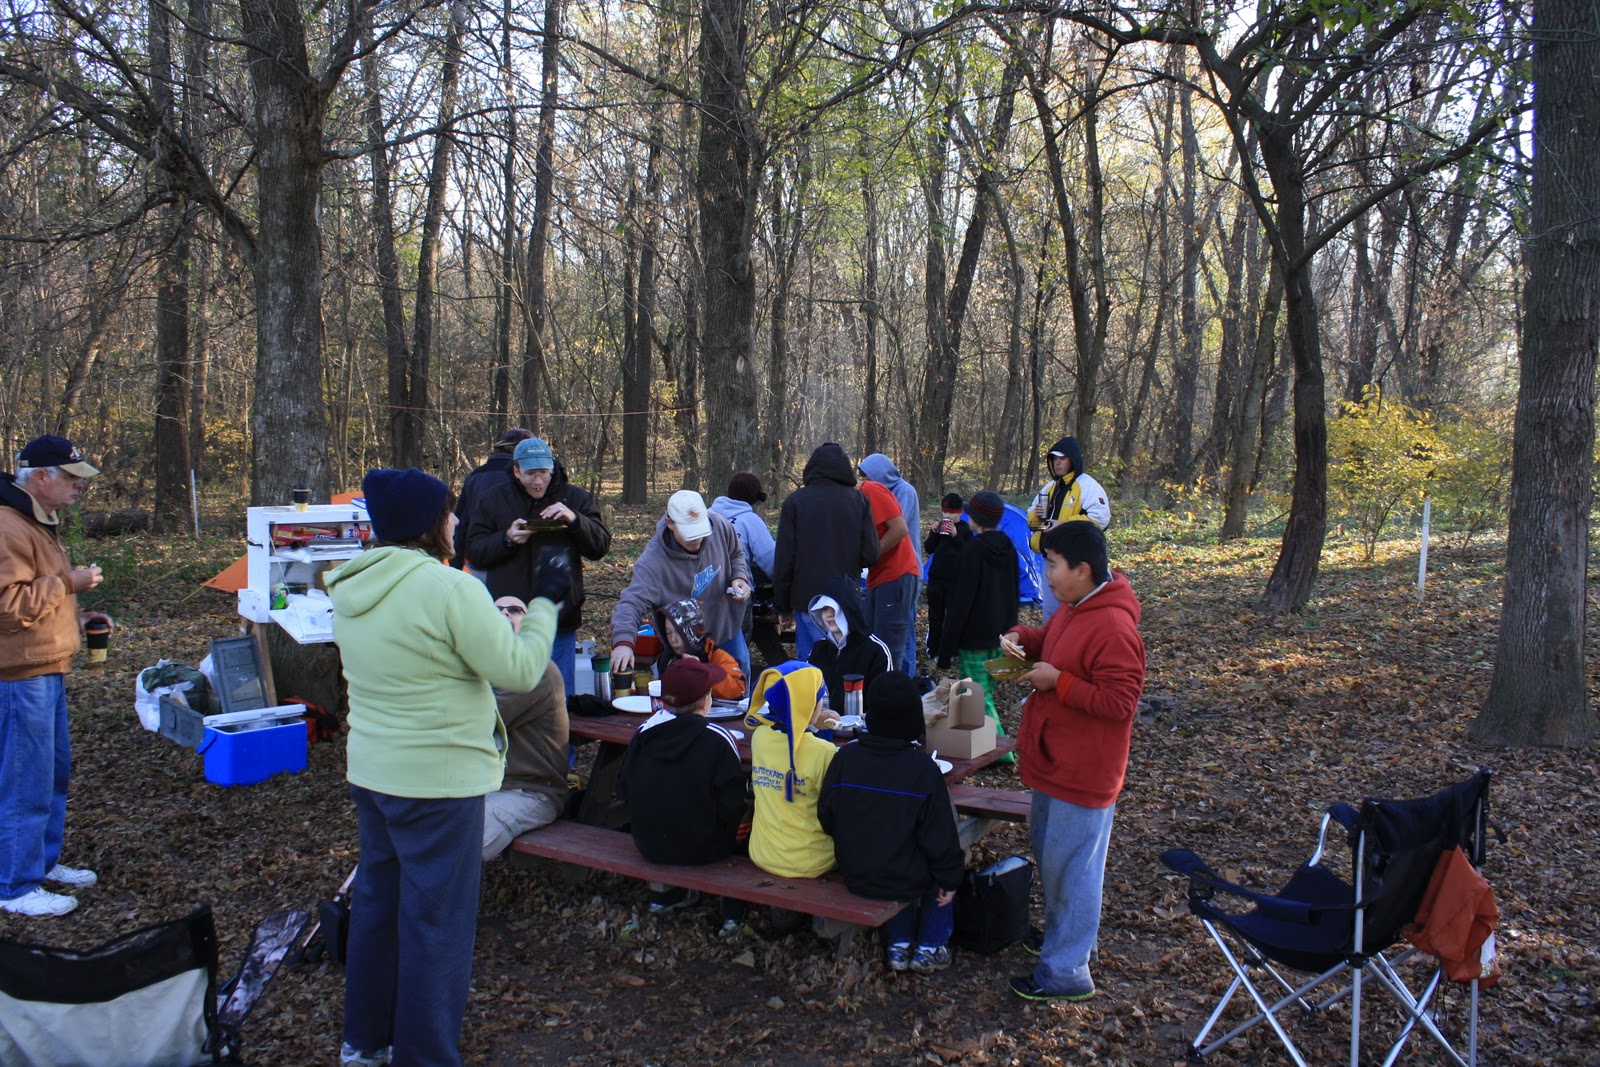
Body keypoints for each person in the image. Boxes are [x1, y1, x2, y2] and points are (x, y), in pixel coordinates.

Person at [328, 467, 564, 1067]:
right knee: (438, 924)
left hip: (375, 774)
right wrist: (541, 609)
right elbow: (517, 670)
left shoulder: (350, 586)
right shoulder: (448, 588)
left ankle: (365, 1041)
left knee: (380, 909)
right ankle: (425, 1055)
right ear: (430, 524)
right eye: (449, 512)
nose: (457, 522)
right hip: (438, 782)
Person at [1002, 521, 1144, 1003]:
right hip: (1054, 758)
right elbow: (1054, 642)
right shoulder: (1074, 606)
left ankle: (1066, 972)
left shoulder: (1114, 626)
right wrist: (1025, 639)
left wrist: (1057, 681)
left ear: (1083, 570)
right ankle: (1067, 940)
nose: (1047, 573)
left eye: (1053, 565)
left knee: (1074, 868)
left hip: (1084, 770)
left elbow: (1120, 702)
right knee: (1054, 859)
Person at [0, 435, 110, 918]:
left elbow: (35, 598)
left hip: (46, 667)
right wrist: (69, 583)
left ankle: (39, 864)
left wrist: (78, 618)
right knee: (25, 779)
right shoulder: (8, 527)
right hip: (21, 676)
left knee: (51, 774)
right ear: (39, 477)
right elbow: (8, 607)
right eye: (71, 479)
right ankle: (15, 886)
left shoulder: (34, 521)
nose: (78, 489)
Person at [819, 672, 964, 974]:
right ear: (913, 720)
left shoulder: (845, 759)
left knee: (895, 851)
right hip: (904, 876)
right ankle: (930, 945)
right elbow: (940, 837)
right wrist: (951, 878)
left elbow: (826, 815)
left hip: (854, 870)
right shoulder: (923, 769)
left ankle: (899, 943)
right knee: (937, 868)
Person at [465, 436, 611, 696]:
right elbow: (474, 552)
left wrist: (576, 521)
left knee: (558, 699)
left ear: (551, 469)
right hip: (509, 622)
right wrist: (507, 538)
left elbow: (600, 547)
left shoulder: (574, 498)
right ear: (516, 471)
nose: (538, 481)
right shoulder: (493, 500)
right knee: (510, 700)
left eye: (543, 473)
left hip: (559, 619)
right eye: (531, 474)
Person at [617, 657, 749, 925]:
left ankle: (667, 895)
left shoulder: (644, 733)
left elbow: (623, 789)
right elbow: (733, 804)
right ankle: (734, 907)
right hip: (707, 847)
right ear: (705, 701)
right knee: (753, 810)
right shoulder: (719, 739)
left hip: (648, 842)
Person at [609, 490, 752, 684]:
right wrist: (623, 642)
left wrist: (739, 577)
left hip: (725, 631)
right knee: (686, 700)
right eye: (689, 534)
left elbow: (736, 554)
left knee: (738, 691)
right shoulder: (653, 562)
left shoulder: (719, 525)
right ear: (670, 523)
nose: (696, 540)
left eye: (700, 533)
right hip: (682, 647)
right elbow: (631, 602)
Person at [481, 596, 570, 862]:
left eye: (515, 610)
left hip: (529, 792)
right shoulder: (482, 666)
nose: (504, 614)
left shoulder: (536, 670)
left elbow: (480, 721)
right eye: (496, 610)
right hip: (483, 785)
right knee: (417, 825)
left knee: (458, 844)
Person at [771, 443, 879, 660]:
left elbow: (784, 558)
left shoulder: (795, 502)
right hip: (847, 597)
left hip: (809, 600)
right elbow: (871, 554)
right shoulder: (858, 501)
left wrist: (782, 606)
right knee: (846, 662)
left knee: (812, 669)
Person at [935, 490, 1020, 737]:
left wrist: (946, 649)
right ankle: (978, 743)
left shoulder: (972, 550)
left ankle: (999, 749)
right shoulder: (1008, 547)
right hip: (1000, 634)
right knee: (984, 693)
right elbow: (1014, 592)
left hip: (974, 637)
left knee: (976, 696)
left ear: (977, 518)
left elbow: (961, 601)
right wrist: (1011, 630)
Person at [745, 661, 839, 880]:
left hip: (763, 853)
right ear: (810, 705)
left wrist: (811, 721)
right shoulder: (825, 753)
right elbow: (836, 811)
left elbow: (786, 729)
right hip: (813, 861)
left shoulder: (759, 738)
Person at [1027, 436, 1110, 622]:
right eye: (1054, 460)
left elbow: (1100, 518)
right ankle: (1051, 645)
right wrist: (1038, 515)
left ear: (1072, 460)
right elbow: (1032, 520)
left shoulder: (1088, 486)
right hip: (1049, 557)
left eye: (1062, 459)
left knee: (1075, 608)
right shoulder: (1049, 488)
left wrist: (1064, 525)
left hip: (1075, 559)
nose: (1057, 464)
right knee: (1050, 608)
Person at [857, 454, 922, 675]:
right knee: (880, 636)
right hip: (879, 573)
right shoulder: (873, 492)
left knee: (900, 636)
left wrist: (869, 554)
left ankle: (905, 679)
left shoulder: (901, 491)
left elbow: (897, 525)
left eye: (868, 475)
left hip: (901, 570)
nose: (864, 479)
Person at [804, 575, 893, 714]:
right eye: (824, 609)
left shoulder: (876, 651)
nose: (828, 615)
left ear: (849, 610)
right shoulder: (819, 649)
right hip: (821, 726)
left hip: (860, 729)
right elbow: (806, 690)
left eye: (834, 609)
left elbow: (884, 700)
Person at [450, 428, 532, 571]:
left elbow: (462, 524)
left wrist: (455, 565)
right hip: (514, 563)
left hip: (477, 560)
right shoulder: (522, 478)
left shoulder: (475, 476)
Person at [654, 597, 746, 701]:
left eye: (679, 633)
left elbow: (738, 689)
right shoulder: (667, 659)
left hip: (712, 714)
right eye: (669, 633)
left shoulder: (716, 655)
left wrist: (701, 672)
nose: (673, 639)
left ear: (693, 631)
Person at [922, 493, 971, 662]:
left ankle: (951, 650)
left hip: (956, 581)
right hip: (936, 579)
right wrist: (934, 532)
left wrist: (956, 536)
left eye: (952, 513)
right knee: (935, 615)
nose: (948, 516)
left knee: (953, 617)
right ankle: (933, 648)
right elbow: (929, 548)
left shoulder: (965, 529)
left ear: (960, 512)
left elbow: (968, 553)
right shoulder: (940, 527)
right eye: (945, 512)